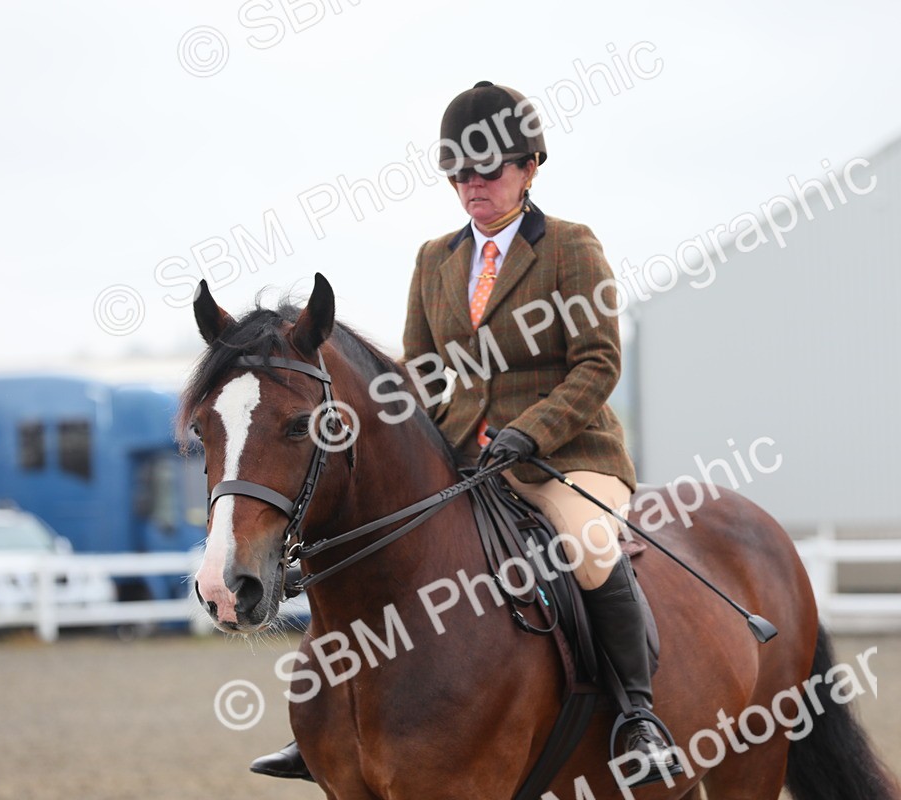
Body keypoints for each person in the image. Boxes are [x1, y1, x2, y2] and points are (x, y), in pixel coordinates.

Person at [251, 81, 679, 785]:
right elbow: (415, 372)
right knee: (366, 548)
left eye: (490, 170)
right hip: (461, 453)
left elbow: (598, 361)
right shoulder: (435, 258)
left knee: (588, 546)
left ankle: (638, 714)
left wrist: (532, 433)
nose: (473, 185)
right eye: (461, 173)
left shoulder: (570, 246)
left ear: (530, 168)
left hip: (566, 453)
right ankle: (329, 723)